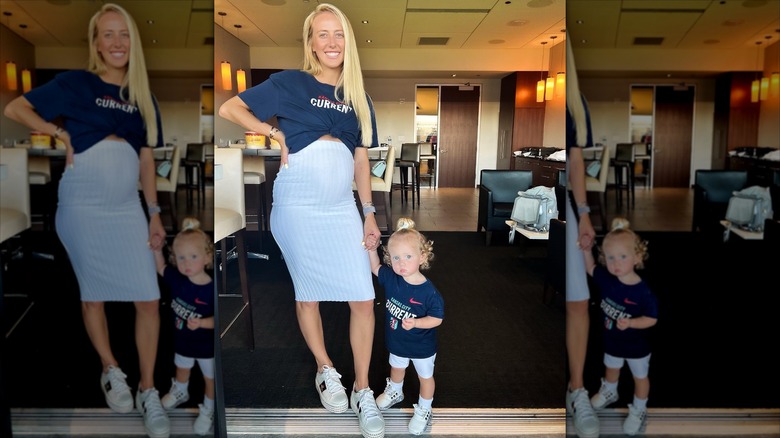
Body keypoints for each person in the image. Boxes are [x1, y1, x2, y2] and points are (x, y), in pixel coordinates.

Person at [217, 4, 385, 438]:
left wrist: (368, 214)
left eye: (338, 34)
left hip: (340, 208)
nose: (331, 42)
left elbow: (361, 160)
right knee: (307, 294)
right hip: (297, 207)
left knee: (363, 297)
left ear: (348, 41)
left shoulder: (359, 97)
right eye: (322, 34)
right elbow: (229, 108)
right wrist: (272, 132)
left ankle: (363, 389)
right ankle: (326, 369)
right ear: (311, 43)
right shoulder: (289, 82)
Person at [3, 4, 169, 438]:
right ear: (96, 43)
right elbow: (16, 109)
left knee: (149, 297)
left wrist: (154, 215)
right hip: (81, 206)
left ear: (133, 41)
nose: (116, 43)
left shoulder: (142, 96)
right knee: (92, 294)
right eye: (107, 35)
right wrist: (58, 133)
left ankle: (148, 388)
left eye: (124, 34)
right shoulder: (75, 83)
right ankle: (111, 368)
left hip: (125, 207)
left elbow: (147, 160)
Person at [582, 218, 658, 436]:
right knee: (612, 369)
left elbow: (652, 319)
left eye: (622, 257)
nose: (616, 263)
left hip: (637, 348)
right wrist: (587, 249)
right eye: (611, 257)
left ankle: (639, 409)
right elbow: (590, 268)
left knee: (640, 378)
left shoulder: (643, 292)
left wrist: (632, 323)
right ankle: (610, 391)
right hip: (612, 342)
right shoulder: (607, 279)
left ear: (637, 257)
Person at [368, 218, 444, 436]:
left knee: (425, 377)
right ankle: (395, 391)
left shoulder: (429, 293)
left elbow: (437, 318)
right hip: (397, 342)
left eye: (408, 257)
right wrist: (372, 249)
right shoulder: (392, 279)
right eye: (396, 257)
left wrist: (418, 323)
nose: (401, 263)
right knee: (397, 368)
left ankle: (424, 408)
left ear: (422, 257)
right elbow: (375, 267)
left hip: (422, 347)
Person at [564, 34, 600, 438]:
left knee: (578, 303)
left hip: (570, 210)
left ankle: (577, 388)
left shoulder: (576, 104)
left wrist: (586, 215)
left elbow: (576, 162)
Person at [152, 218, 215, 436]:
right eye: (180, 258)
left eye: (193, 257)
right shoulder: (178, 280)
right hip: (182, 343)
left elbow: (219, 319)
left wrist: (204, 323)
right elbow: (160, 267)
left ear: (207, 257)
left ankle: (209, 408)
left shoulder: (211, 289)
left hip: (207, 348)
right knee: (182, 368)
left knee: (210, 379)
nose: (186, 263)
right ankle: (180, 390)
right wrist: (157, 249)